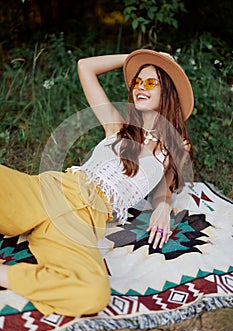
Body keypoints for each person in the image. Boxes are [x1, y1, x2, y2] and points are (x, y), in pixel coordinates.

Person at [0, 49, 194, 317]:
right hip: (53, 190)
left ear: (168, 92)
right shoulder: (117, 125)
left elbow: (167, 185)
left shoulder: (174, 148)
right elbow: (85, 65)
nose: (140, 87)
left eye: (150, 83)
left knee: (92, 293)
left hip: (82, 222)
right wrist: (136, 57)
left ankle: (6, 275)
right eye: (137, 81)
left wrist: (163, 206)